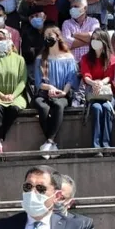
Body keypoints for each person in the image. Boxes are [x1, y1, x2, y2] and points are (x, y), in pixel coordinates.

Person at [33, 25, 78, 154]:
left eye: (50, 35)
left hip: (63, 93)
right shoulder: (40, 58)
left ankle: (49, 142)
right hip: (45, 93)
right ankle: (51, 142)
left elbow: (71, 79)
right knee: (42, 107)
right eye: (45, 36)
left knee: (59, 105)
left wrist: (63, 92)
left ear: (58, 37)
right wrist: (50, 88)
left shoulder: (68, 57)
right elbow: (38, 82)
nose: (47, 38)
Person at [0, 29, 27, 152]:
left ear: (8, 39)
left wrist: (13, 95)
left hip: (16, 97)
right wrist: (1, 95)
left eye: (1, 39)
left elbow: (23, 80)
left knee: (14, 109)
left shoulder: (19, 59)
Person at [81, 29, 115, 149]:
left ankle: (106, 145)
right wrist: (93, 83)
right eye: (93, 39)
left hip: (107, 93)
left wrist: (101, 83)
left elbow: (110, 76)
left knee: (106, 108)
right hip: (92, 92)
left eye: (98, 39)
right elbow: (86, 75)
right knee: (96, 108)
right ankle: (96, 146)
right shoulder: (85, 58)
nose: (94, 42)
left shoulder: (112, 58)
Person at [62, 0, 101, 65]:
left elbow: (95, 37)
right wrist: (88, 41)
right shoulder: (66, 23)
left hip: (89, 63)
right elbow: (66, 43)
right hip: (72, 64)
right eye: (71, 7)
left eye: (76, 6)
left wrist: (74, 35)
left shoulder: (94, 22)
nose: (72, 9)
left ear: (85, 8)